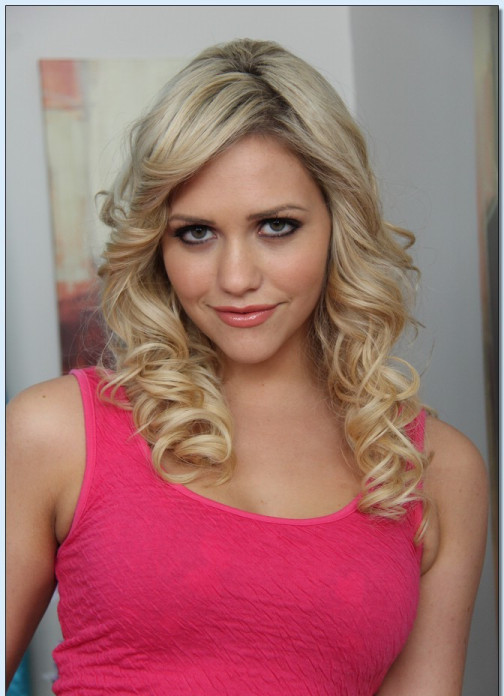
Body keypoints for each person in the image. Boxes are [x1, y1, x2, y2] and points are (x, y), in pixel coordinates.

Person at [7, 39, 488, 695]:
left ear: (338, 224)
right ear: (157, 246)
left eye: (276, 226)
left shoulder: (436, 472)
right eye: (196, 233)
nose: (236, 278)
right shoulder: (55, 433)